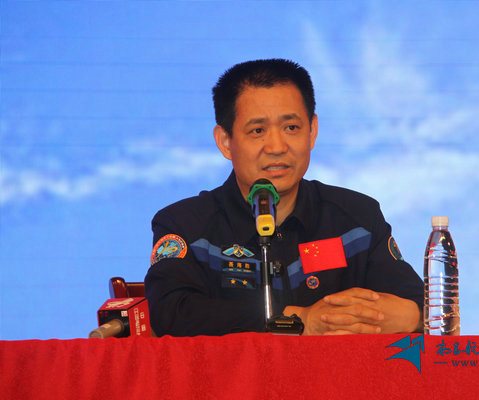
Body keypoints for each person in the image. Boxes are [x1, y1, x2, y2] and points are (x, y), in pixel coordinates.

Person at [145, 59, 424, 336]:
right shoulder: (186, 226)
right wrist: (299, 320)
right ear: (225, 142)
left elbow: (419, 304)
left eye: (291, 128)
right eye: (257, 131)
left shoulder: (357, 218)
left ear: (312, 131)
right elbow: (172, 313)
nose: (277, 147)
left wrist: (410, 316)